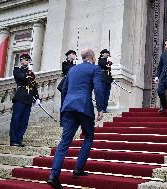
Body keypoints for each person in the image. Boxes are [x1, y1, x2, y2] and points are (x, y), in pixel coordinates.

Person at [47, 48, 104, 189]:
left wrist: (65, 105)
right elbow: (98, 88)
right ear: (91, 57)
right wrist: (101, 108)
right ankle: (78, 168)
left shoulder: (72, 70)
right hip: (84, 107)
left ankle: (53, 175)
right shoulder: (95, 69)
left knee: (64, 141)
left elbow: (63, 89)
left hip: (68, 107)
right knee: (89, 136)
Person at [9, 54, 40, 147]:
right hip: (20, 96)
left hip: (28, 98)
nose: (23, 61)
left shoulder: (31, 73)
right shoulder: (17, 70)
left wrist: (37, 97)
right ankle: (13, 140)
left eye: (25, 60)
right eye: (22, 59)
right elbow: (23, 77)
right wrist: (29, 72)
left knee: (24, 120)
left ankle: (19, 140)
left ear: (29, 61)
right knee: (16, 118)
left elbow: (34, 86)